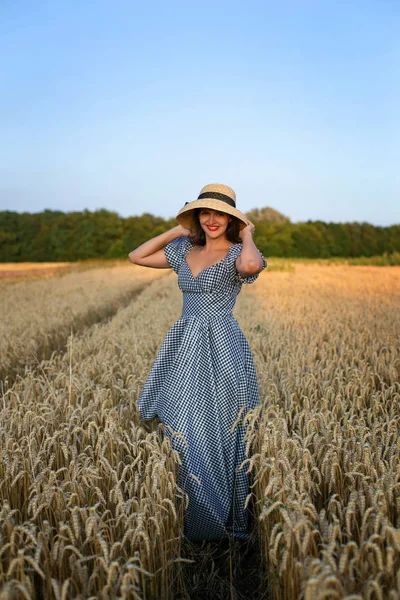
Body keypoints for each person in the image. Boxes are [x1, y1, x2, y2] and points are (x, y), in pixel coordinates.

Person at [128, 183, 267, 542]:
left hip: (223, 344)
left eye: (219, 213)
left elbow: (251, 265)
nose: (211, 219)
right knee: (182, 419)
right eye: (204, 212)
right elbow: (137, 256)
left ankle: (227, 517)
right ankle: (194, 515)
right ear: (196, 217)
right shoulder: (183, 252)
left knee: (223, 423)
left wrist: (248, 234)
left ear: (232, 219)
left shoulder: (240, 252)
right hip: (185, 342)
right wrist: (176, 230)